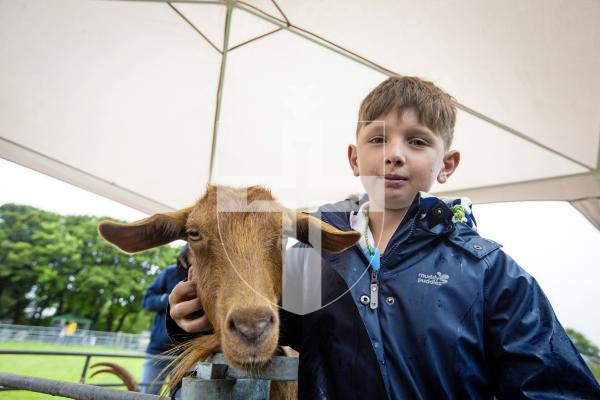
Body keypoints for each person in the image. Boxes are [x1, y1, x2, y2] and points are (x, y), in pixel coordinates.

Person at [166, 76, 600, 398]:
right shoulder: (308, 259)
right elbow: (255, 323)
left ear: (445, 165)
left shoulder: (488, 271)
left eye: (416, 141)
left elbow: (552, 386)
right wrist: (187, 315)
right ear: (355, 157)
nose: (393, 153)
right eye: (378, 138)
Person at [140, 246, 188, 395]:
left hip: (186, 353)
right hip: (158, 350)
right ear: (185, 254)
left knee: (180, 395)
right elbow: (147, 300)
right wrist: (169, 299)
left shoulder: (208, 278)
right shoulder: (169, 272)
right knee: (147, 394)